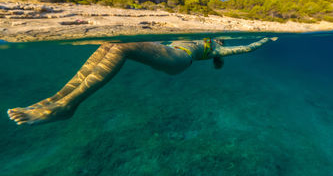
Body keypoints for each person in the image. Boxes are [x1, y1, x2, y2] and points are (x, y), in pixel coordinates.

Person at [7, 37, 277, 125]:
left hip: (178, 59)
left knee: (123, 47)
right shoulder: (203, 38)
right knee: (109, 45)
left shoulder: (215, 49)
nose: (220, 40)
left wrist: (264, 40)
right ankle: (57, 98)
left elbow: (243, 49)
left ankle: (69, 105)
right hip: (171, 55)